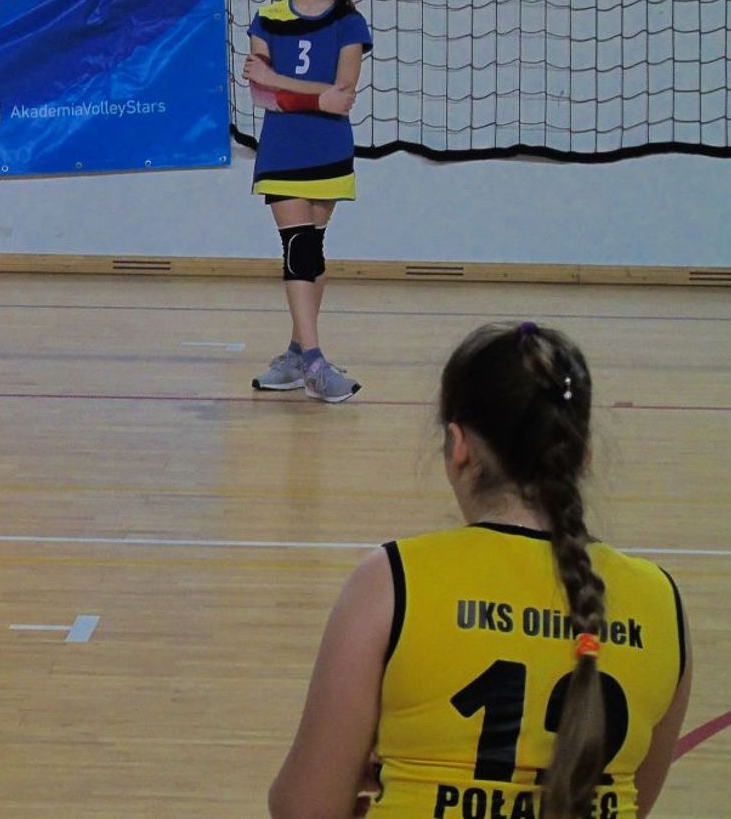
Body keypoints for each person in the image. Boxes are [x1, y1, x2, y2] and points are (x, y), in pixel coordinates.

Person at [269, 321, 693, 819]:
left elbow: (304, 809)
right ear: (583, 456)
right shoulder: (660, 602)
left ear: (458, 446)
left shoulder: (392, 581)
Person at [242, 0, 370, 403]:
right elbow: (262, 92)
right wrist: (315, 97)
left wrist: (282, 82)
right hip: (283, 149)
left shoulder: (348, 23)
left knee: (312, 251)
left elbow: (344, 93)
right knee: (298, 248)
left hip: (329, 148)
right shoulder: (267, 18)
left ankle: (296, 354)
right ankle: (316, 362)